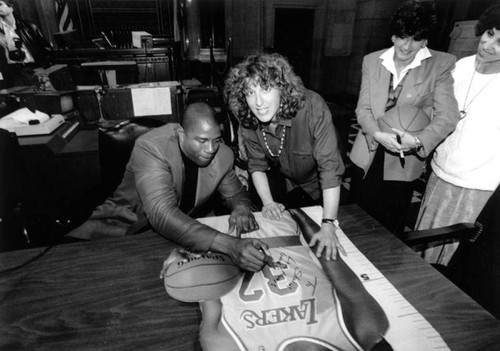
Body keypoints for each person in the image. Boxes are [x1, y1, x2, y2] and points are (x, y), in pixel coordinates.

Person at [68, 102, 269, 272]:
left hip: (177, 237)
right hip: (121, 232)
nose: (210, 149)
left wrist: (240, 207)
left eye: (216, 140)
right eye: (202, 141)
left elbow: (236, 194)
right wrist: (230, 245)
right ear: (181, 134)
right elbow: (162, 214)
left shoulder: (221, 154)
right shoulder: (152, 147)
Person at [349, 0, 460, 235]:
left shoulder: (440, 64)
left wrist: (418, 141)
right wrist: (378, 134)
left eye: (415, 39)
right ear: (393, 36)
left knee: (389, 228)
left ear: (426, 40)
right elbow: (363, 109)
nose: (407, 46)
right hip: (367, 151)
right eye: (402, 36)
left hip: (404, 159)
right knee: (357, 221)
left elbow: (448, 116)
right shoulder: (372, 60)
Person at [224, 52, 346, 261]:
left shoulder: (312, 106)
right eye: (250, 93)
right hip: (288, 181)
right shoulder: (248, 117)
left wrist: (328, 224)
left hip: (324, 186)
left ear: (283, 88)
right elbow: (256, 165)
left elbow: (329, 169)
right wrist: (268, 202)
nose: (258, 102)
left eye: (266, 89)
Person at [415, 2, 500, 265]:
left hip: (478, 184)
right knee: (424, 248)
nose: (488, 46)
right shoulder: (460, 66)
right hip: (442, 174)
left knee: (458, 259)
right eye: (489, 34)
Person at [0, 0, 53, 88]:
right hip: (13, 73)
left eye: (0, 4)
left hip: (35, 69)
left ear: (11, 8)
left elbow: (46, 49)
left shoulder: (28, 26)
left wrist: (44, 67)